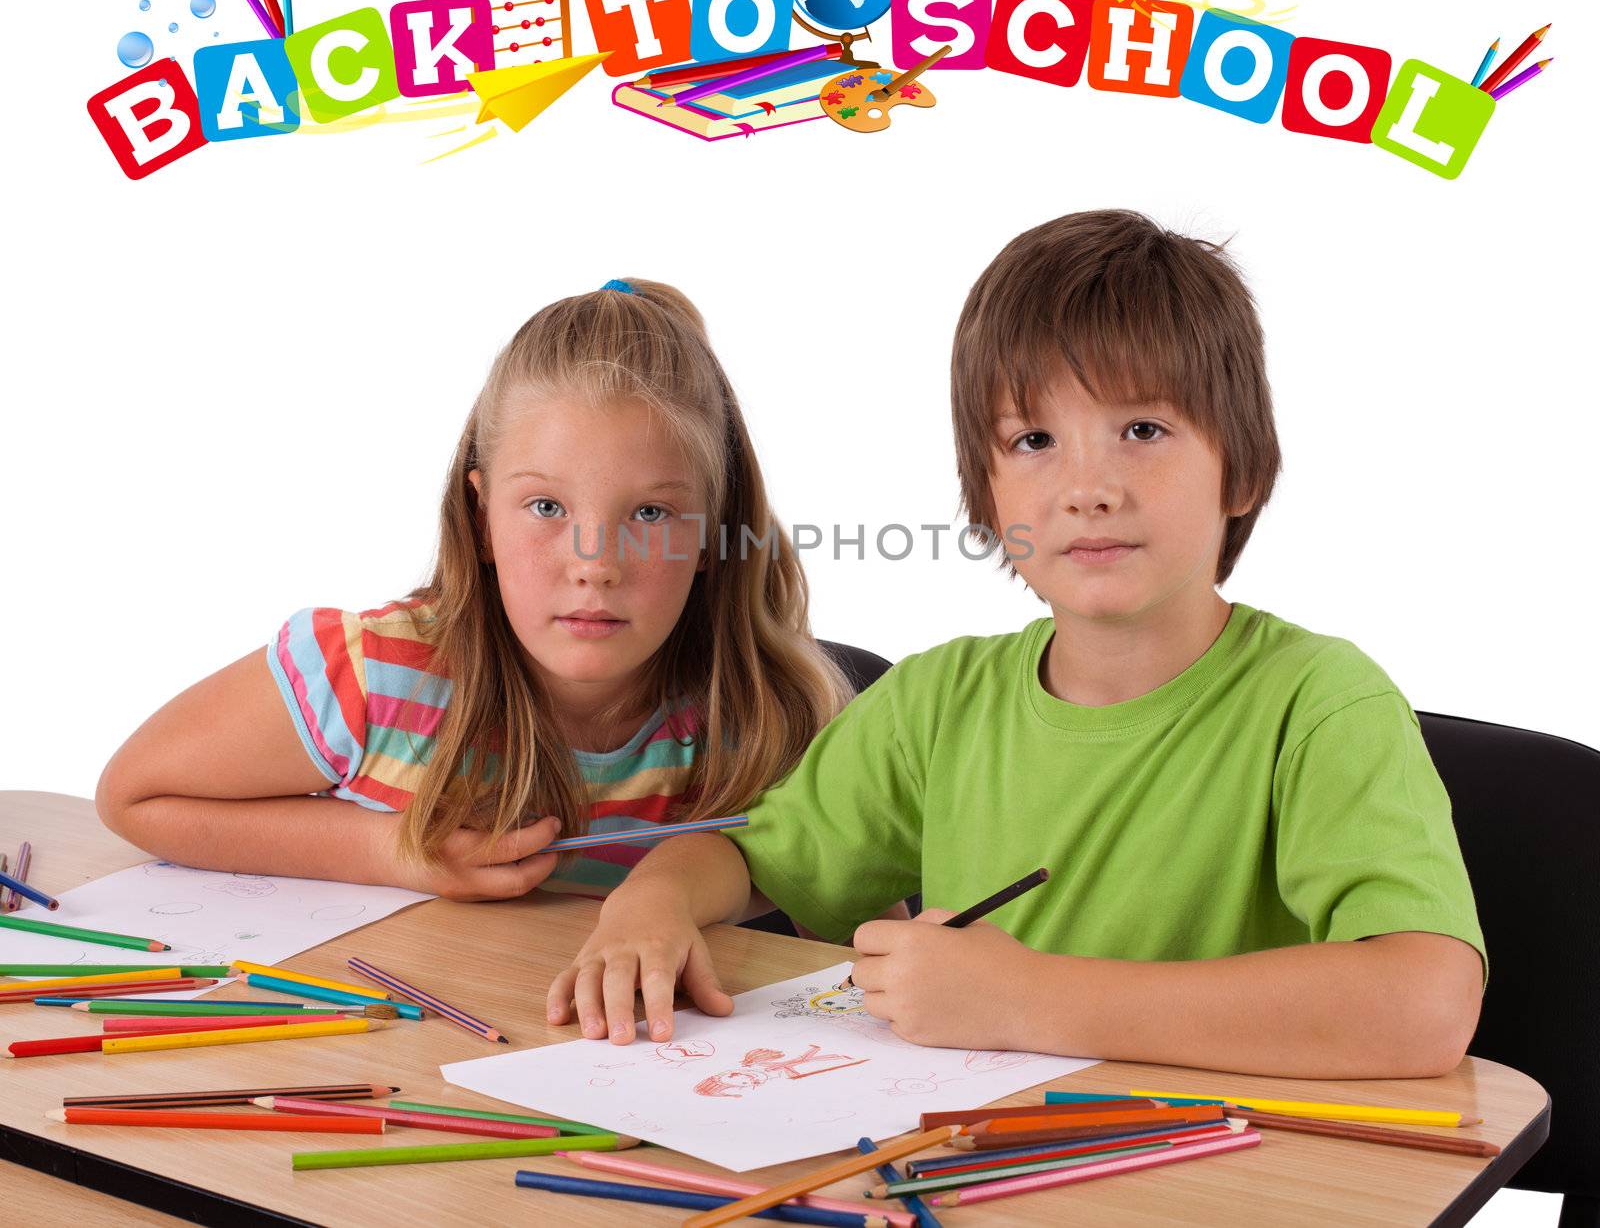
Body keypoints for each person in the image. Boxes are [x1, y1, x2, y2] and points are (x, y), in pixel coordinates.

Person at [550, 214, 1486, 1077]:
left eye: (1143, 429)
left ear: (1240, 466)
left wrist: (1028, 998)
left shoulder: (1320, 705)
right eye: (1034, 438)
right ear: (986, 492)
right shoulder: (939, 700)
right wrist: (653, 901)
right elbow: (757, 857)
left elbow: (1427, 1004)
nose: (1089, 487)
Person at [96, 279, 850, 903]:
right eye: (547, 508)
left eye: (649, 513)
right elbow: (134, 796)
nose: (595, 564)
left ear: (712, 535)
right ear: (482, 517)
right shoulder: (373, 675)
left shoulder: (763, 714)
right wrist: (393, 851)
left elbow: (850, 903)